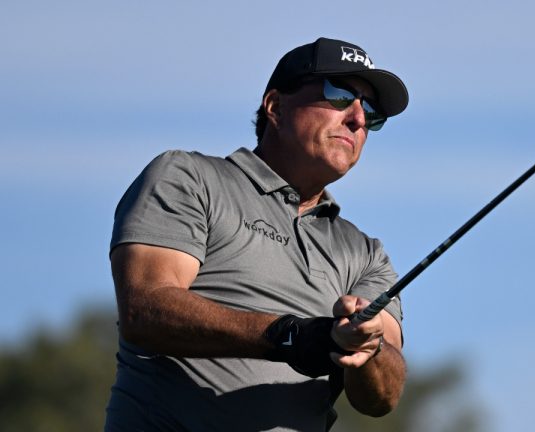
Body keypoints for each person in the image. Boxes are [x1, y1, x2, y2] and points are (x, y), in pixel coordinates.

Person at [104, 37, 409, 431]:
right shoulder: (189, 177)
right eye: (339, 95)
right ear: (276, 107)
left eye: (370, 110)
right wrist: (289, 336)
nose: (358, 118)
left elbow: (383, 397)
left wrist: (369, 348)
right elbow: (144, 310)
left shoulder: (366, 254)